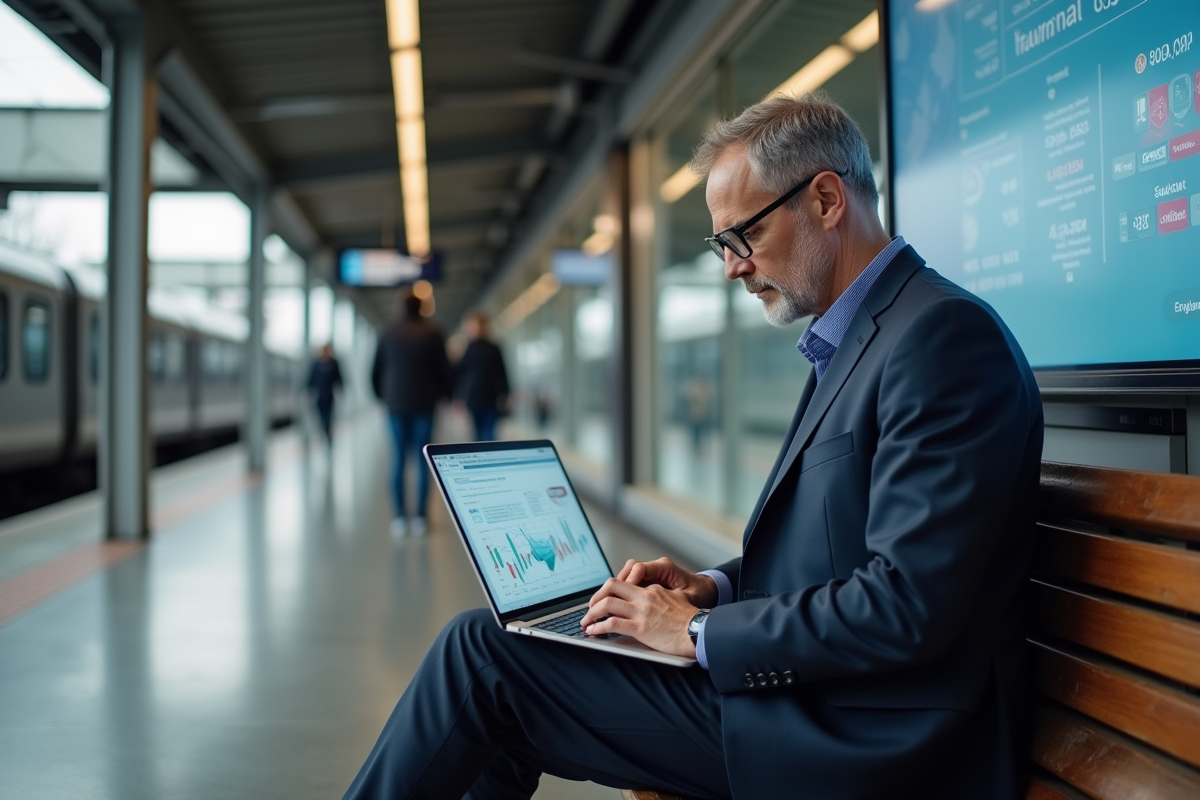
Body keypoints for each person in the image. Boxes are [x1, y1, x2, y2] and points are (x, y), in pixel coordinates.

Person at [343, 94, 1043, 800]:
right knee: (512, 659)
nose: (733, 267)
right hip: (820, 698)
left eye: (744, 236)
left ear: (826, 198)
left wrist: (701, 632)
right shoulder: (868, 337)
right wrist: (712, 588)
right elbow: (841, 551)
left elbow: (907, 604)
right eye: (722, 246)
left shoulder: (940, 339)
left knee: (481, 657)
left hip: (872, 738)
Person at [371, 291, 451, 537]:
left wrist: (383, 397)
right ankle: (420, 517)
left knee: (398, 459)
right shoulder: (433, 332)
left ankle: (399, 517)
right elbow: (444, 369)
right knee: (423, 462)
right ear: (423, 308)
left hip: (395, 404)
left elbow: (375, 370)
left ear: (399, 307)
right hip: (425, 404)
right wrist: (443, 395)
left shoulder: (388, 332)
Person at [453, 311, 510, 442]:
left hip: (491, 398)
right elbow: (460, 375)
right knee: (476, 435)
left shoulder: (493, 348)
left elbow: (501, 372)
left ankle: (489, 460)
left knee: (489, 434)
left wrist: (504, 394)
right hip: (473, 398)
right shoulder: (466, 349)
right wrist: (458, 397)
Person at [306, 343, 344, 446]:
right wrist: (308, 390)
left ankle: (327, 436)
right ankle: (324, 434)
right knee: (321, 418)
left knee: (328, 418)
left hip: (329, 397)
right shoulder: (316, 364)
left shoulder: (333, 363)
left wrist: (341, 389)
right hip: (319, 397)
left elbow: (339, 378)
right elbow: (310, 378)